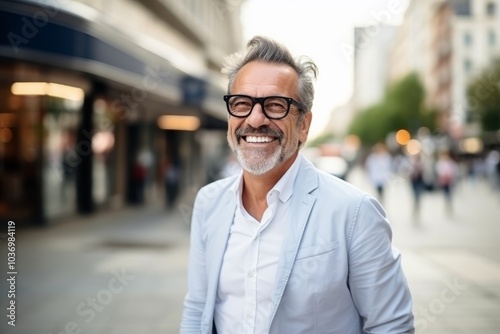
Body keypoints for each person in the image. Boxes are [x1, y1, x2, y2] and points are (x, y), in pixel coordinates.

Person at [180, 36, 414, 334]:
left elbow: (391, 325)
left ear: (303, 125)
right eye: (241, 104)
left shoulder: (354, 213)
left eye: (276, 105)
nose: (255, 119)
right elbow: (198, 307)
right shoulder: (208, 202)